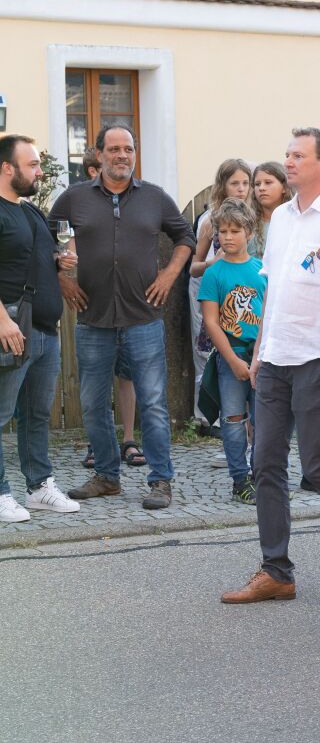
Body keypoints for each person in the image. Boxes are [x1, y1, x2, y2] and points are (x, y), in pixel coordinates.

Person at [221, 127, 320, 604]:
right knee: (265, 462)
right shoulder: (281, 218)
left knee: (319, 466)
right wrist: (261, 351)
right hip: (276, 361)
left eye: (297, 155)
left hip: (319, 360)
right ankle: (276, 571)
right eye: (287, 153)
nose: (287, 161)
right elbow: (273, 293)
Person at [49, 124, 195, 510]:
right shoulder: (74, 199)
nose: (121, 156)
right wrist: (62, 277)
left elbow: (186, 238)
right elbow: (45, 240)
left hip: (143, 318)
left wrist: (168, 274)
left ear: (135, 153)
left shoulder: (154, 198)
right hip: (92, 318)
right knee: (94, 403)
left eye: (128, 149)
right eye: (113, 149)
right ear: (98, 155)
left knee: (153, 402)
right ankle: (107, 477)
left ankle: (160, 481)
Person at [0, 135, 80, 522]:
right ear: (7, 168)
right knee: (0, 415)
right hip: (12, 327)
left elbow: (41, 256)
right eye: (31, 165)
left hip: (45, 329)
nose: (38, 171)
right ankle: (0, 492)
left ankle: (39, 487)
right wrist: (2, 320)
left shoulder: (30, 212)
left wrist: (60, 260)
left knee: (35, 415)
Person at [77, 147, 144, 470]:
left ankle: (129, 438)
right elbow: (62, 241)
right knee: (96, 382)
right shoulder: (79, 202)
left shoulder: (137, 199)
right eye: (91, 171)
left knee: (127, 377)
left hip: (131, 309)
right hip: (95, 307)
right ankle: (97, 444)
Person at [197, 198, 266, 505]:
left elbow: (269, 315)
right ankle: (240, 479)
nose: (227, 237)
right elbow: (211, 322)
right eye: (222, 231)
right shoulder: (214, 274)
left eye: (235, 230)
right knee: (234, 419)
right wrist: (234, 360)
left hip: (262, 357)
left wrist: (259, 357)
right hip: (231, 357)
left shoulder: (262, 270)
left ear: (249, 233)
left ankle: (263, 475)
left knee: (264, 420)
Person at [188, 159, 252, 427]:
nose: (241, 189)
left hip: (245, 294)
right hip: (213, 290)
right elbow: (194, 266)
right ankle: (208, 416)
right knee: (208, 351)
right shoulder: (209, 220)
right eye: (234, 183)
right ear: (222, 185)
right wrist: (211, 265)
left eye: (245, 183)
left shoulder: (252, 216)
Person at [251, 161, 292, 257]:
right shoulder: (246, 222)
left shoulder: (296, 221)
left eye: (268, 182)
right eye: (257, 184)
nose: (261, 188)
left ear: (284, 187)